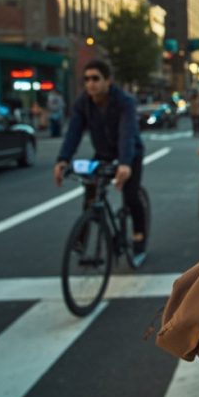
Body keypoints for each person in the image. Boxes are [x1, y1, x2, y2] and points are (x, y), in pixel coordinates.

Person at [53, 60, 148, 261]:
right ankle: (81, 239)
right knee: (90, 194)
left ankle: (139, 235)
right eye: (86, 79)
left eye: (95, 78)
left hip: (130, 154)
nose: (90, 84)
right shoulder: (82, 104)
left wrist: (124, 163)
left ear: (108, 81)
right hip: (103, 154)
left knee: (131, 196)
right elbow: (73, 133)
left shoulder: (124, 102)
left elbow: (127, 133)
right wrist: (63, 159)